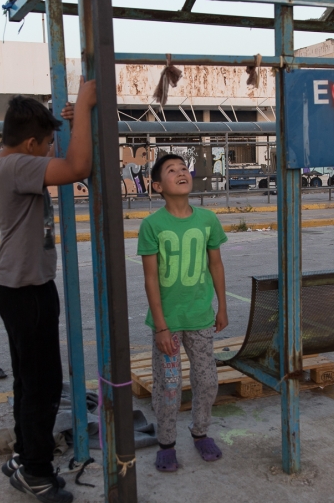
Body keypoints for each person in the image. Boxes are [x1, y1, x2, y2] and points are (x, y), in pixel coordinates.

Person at [0, 84, 94, 503]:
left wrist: (71, 122)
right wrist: (84, 107)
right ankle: (35, 470)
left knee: (27, 382)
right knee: (44, 385)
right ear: (31, 143)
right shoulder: (18, 166)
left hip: (17, 285)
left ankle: (22, 456)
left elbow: (62, 160)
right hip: (26, 289)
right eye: (48, 144)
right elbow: (77, 167)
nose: (52, 151)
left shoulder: (6, 162)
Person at [138, 153, 228, 473]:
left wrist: (222, 306)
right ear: (158, 186)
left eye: (183, 168)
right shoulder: (152, 225)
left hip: (201, 317)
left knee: (207, 382)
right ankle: (166, 443)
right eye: (171, 170)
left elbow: (215, 264)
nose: (181, 172)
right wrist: (161, 327)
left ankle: (200, 432)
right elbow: (150, 278)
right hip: (169, 325)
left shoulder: (207, 220)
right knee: (169, 387)